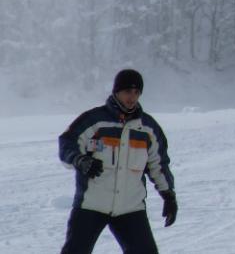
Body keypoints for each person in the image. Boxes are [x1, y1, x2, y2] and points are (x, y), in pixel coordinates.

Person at [58, 69, 177, 254]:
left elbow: (158, 164)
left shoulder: (148, 128)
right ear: (116, 92)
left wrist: (168, 195)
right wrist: (80, 160)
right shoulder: (95, 120)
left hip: (130, 208)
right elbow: (67, 142)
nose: (132, 97)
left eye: (137, 92)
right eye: (128, 91)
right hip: (91, 205)